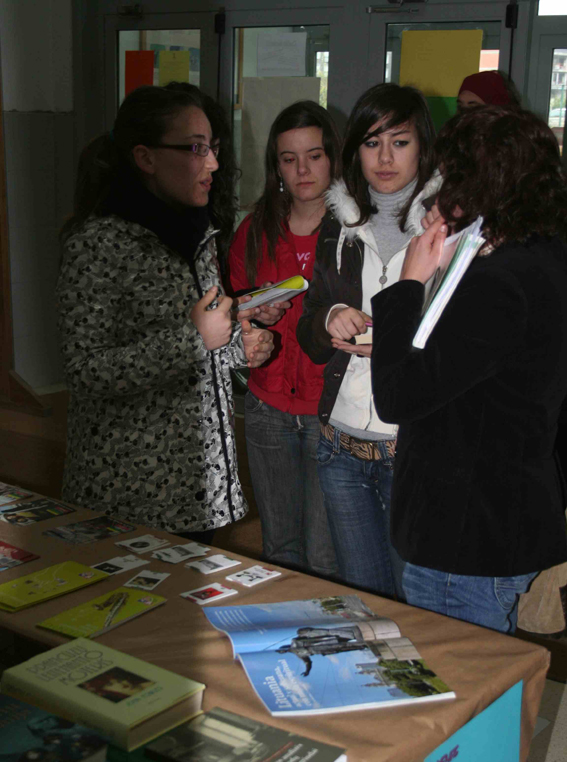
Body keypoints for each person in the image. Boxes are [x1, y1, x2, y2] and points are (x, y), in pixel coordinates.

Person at [370, 105, 567, 637]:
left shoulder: (498, 282)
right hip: (499, 515)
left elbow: (398, 396)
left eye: (452, 175)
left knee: (456, 677)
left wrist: (407, 285)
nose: (441, 190)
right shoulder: (543, 253)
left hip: (466, 532)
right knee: (484, 674)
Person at [57, 84, 273, 543]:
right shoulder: (98, 243)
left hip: (199, 487)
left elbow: (203, 340)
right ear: (146, 157)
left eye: (213, 148)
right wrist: (196, 338)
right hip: (131, 495)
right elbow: (85, 370)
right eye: (196, 149)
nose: (213, 164)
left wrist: (239, 345)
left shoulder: (199, 234)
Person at [297, 83, 441, 599]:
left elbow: (467, 342)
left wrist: (400, 343)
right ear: (355, 149)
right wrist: (330, 316)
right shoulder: (337, 222)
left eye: (399, 142)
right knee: (364, 601)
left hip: (412, 449)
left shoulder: (445, 229)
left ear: (422, 147)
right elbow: (308, 326)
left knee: (415, 602)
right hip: (339, 444)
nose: (384, 158)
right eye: (372, 142)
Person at [229, 101, 341, 576]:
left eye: (314, 156)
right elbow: (234, 312)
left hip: (329, 411)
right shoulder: (255, 229)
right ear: (275, 166)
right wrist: (253, 314)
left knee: (323, 555)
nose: (302, 170)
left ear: (333, 157)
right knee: (279, 548)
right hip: (267, 407)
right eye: (289, 159)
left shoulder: (351, 232)